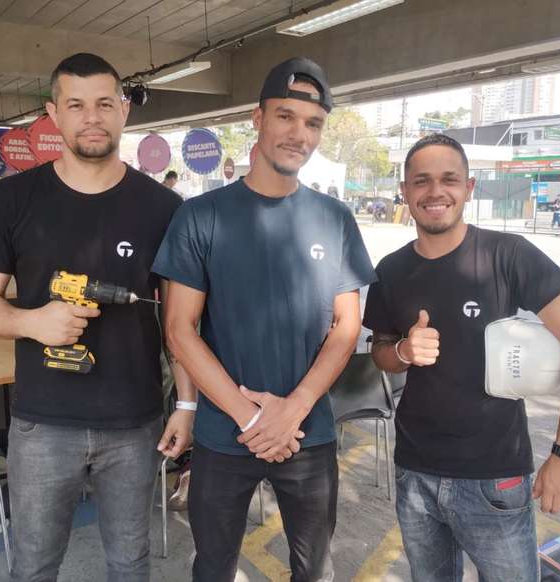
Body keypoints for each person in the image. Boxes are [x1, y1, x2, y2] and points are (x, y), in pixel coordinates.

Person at [0, 53, 195, 582]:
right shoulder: (8, 200)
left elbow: (180, 323)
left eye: (105, 104)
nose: (92, 117)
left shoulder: (164, 207)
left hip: (136, 423)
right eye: (76, 105)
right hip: (42, 424)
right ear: (54, 114)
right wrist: (32, 321)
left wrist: (184, 404)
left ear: (124, 111)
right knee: (36, 566)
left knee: (130, 565)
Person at [152, 57, 376, 582]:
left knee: (314, 570)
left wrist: (291, 412)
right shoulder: (201, 217)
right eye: (285, 116)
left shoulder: (335, 219)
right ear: (257, 118)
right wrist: (251, 419)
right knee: (213, 567)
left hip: (307, 435)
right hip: (223, 434)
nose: (299, 134)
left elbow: (346, 330)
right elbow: (179, 330)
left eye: (313, 123)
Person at [363, 134, 560, 582]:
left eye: (449, 179)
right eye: (422, 181)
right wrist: (402, 352)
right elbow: (380, 352)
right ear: (405, 192)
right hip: (415, 470)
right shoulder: (390, 271)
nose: (436, 191)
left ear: (469, 188)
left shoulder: (507, 255)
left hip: (495, 476)